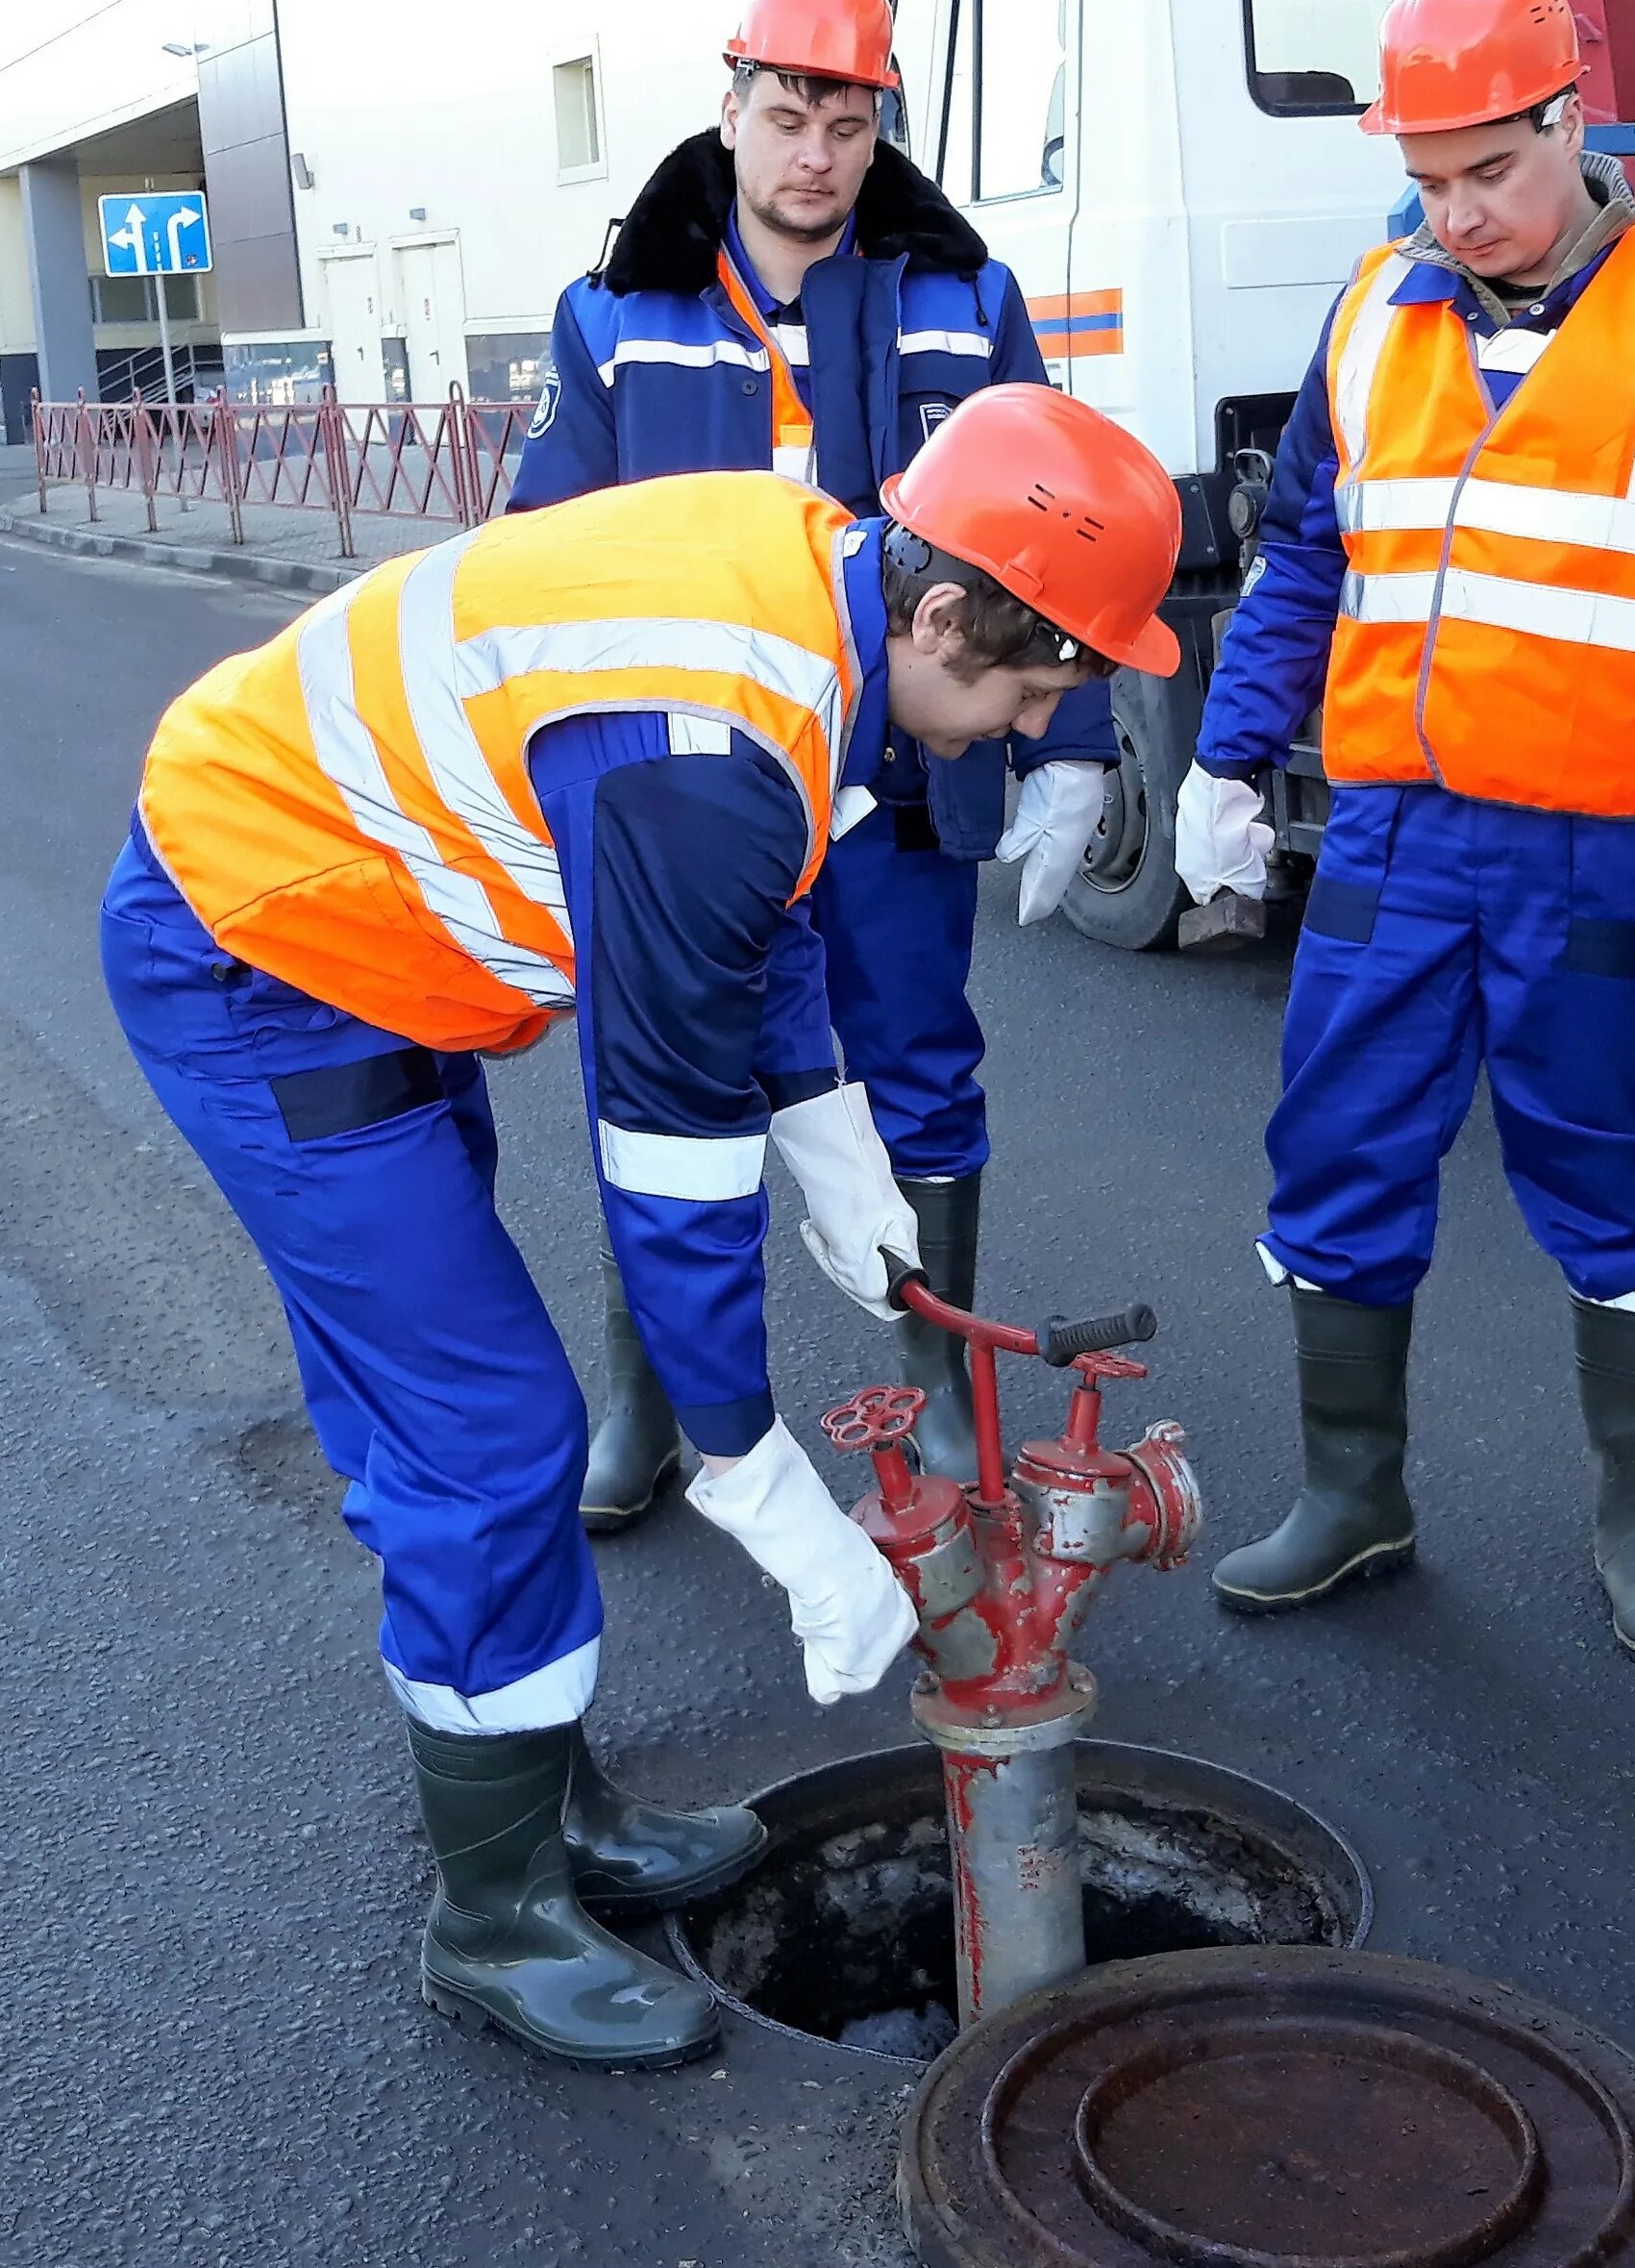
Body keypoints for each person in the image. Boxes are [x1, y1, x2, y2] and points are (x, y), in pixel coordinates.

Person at [100, 390, 1182, 2069]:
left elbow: (774, 928)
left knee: (457, 1424)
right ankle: (496, 1913)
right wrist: (765, 1491)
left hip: (372, 948)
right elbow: (668, 1161)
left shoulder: (816, 592)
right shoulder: (700, 745)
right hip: (266, 963)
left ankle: (549, 1800)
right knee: (484, 1437)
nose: (1005, 733)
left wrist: (841, 1161)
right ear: (947, 606)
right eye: (1022, 691)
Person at [1175, 0, 1635, 1670]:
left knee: (1616, 1184)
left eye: (1492, 169)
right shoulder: (1370, 309)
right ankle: (1354, 1496)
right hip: (1394, 837)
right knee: (1335, 1156)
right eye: (1425, 179)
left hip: (1614, 847)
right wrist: (1224, 758)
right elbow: (1306, 559)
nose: (1458, 213)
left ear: (1571, 121)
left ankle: (1634, 1525)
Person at [512, 0, 1117, 1518]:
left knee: (918, 1068)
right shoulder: (620, 316)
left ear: (875, 128)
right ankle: (649, 1398)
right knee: (662, 1073)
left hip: (903, 778)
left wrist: (1074, 747)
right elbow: (541, 554)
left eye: (847, 126)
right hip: (689, 792)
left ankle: (941, 1401)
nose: (816, 158)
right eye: (787, 118)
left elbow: (1071, 529)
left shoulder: (959, 295)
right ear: (730, 114)